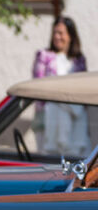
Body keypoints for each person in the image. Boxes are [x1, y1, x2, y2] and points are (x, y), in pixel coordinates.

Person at [32, 15, 89, 157]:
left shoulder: (78, 61)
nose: (57, 37)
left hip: (75, 122)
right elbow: (38, 86)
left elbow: (83, 91)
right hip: (48, 119)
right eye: (55, 33)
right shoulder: (44, 56)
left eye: (61, 33)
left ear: (70, 36)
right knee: (48, 158)